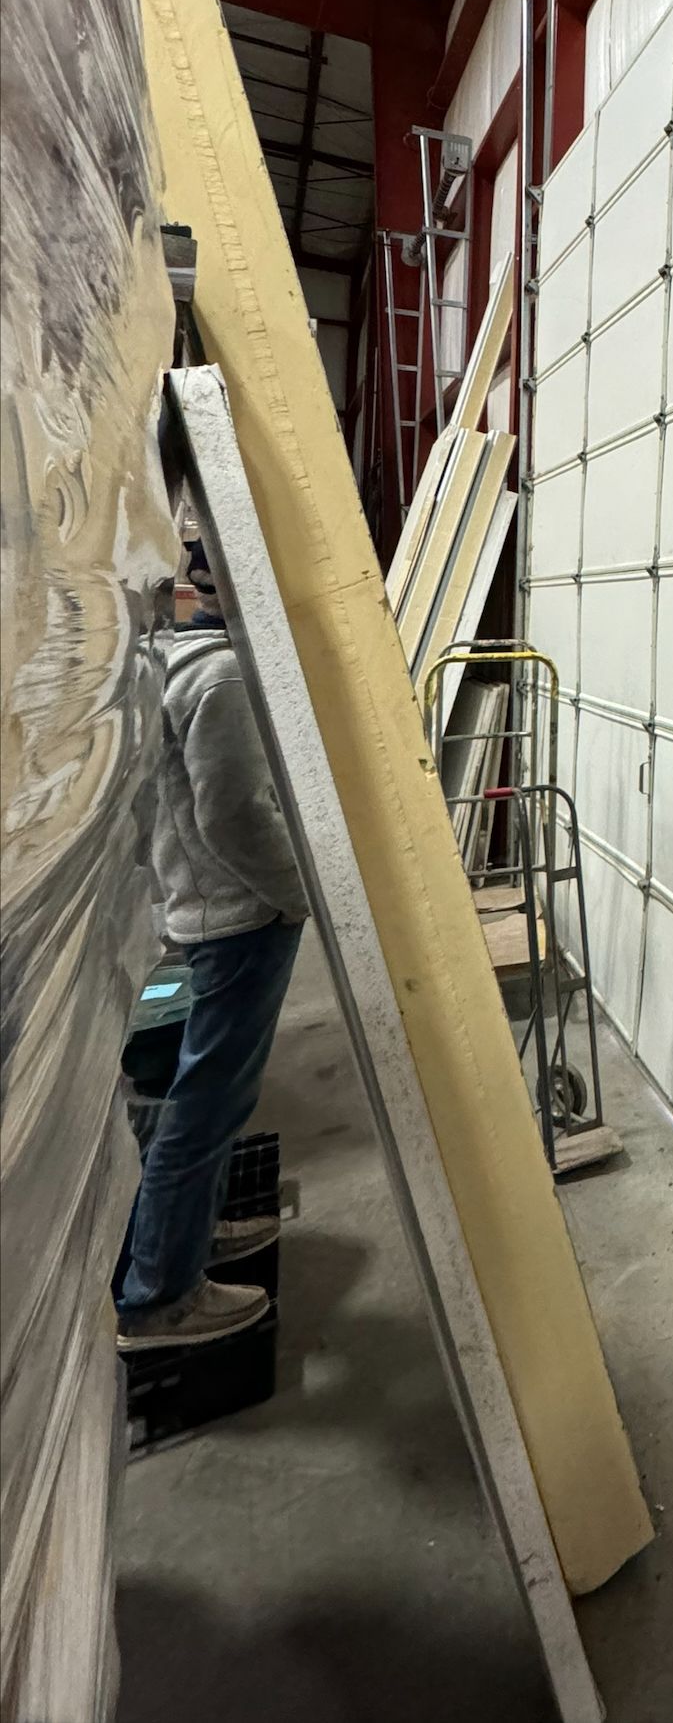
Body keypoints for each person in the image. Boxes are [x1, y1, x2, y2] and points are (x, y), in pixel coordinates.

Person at [115, 534, 308, 1351]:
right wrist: (300, 899)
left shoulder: (164, 659)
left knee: (198, 1099)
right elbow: (234, 814)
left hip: (196, 911)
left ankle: (184, 1241)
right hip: (237, 919)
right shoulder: (222, 676)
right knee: (207, 1104)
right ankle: (162, 1292)